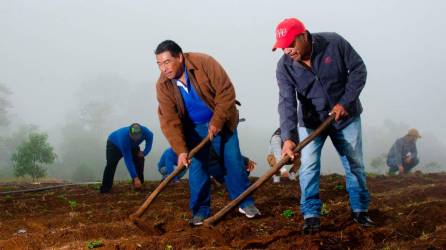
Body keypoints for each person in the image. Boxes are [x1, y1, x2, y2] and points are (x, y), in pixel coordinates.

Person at [272, 18, 373, 233]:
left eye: (290, 45)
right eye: (283, 47)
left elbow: (358, 70)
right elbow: (287, 102)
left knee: (354, 164)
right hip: (311, 123)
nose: (287, 51)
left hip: (345, 118)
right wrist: (288, 138)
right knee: (308, 167)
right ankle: (311, 216)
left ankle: (360, 211)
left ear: (303, 36)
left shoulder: (333, 43)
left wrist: (345, 102)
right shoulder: (284, 67)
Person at [155, 40, 260, 226]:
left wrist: (217, 122)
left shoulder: (204, 63)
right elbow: (169, 121)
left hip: (222, 119)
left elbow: (226, 92)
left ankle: (245, 203)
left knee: (233, 160)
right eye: (159, 64)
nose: (164, 68)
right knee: (198, 167)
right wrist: (181, 150)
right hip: (193, 128)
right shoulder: (163, 85)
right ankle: (200, 211)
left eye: (167, 62)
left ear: (179, 57)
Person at [100, 123, 153, 193]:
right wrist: (134, 177)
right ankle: (105, 187)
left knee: (140, 159)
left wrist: (144, 152)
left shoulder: (147, 132)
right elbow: (128, 160)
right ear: (129, 133)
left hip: (132, 146)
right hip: (114, 144)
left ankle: (139, 184)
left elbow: (149, 142)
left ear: (141, 134)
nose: (134, 140)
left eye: (136, 138)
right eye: (132, 138)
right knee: (111, 164)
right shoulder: (124, 137)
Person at [158, 147, 256, 184]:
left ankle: (172, 178)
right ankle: (167, 178)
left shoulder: (216, 148)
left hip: (218, 168)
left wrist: (246, 160)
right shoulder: (169, 153)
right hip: (164, 167)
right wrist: (174, 179)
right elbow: (169, 166)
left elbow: (229, 154)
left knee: (184, 168)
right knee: (169, 171)